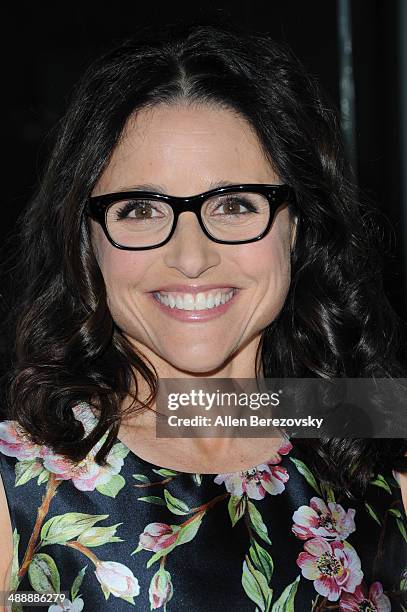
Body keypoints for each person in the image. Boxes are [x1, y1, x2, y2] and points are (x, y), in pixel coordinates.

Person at [0, 21, 407, 611]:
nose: (190, 257)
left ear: (297, 226)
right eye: (140, 208)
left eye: (235, 204)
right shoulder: (19, 493)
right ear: (86, 239)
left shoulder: (375, 454)